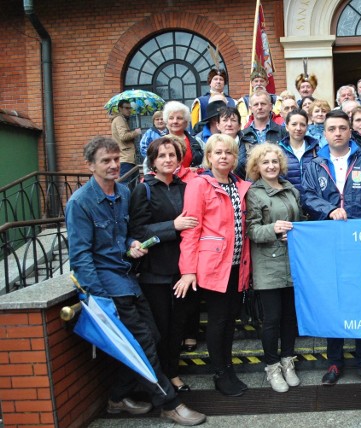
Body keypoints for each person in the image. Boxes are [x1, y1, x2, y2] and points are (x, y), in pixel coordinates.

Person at [66, 136, 206, 426]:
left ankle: (118, 396)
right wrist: (101, 301)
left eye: (117, 159)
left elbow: (130, 233)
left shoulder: (123, 192)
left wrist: (132, 244)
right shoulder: (80, 203)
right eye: (106, 160)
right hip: (108, 286)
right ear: (90, 165)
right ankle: (169, 403)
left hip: (129, 278)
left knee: (151, 338)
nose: (114, 165)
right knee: (143, 341)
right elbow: (80, 258)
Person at [301, 110, 361, 386]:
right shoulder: (314, 164)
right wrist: (330, 210)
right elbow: (308, 197)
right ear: (324, 133)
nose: (337, 132)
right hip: (329, 242)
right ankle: (334, 361)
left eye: (342, 128)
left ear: (350, 132)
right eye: (332, 128)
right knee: (333, 300)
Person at [174, 134, 251, 398]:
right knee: (218, 321)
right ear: (208, 157)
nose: (223, 157)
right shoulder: (199, 185)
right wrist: (188, 270)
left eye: (228, 153)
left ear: (234, 158)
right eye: (217, 153)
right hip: (213, 264)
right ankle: (220, 373)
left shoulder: (239, 184)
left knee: (230, 319)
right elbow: (191, 230)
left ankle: (228, 368)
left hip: (236, 264)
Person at [129, 137, 199, 393]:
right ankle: (162, 378)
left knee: (178, 325)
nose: (168, 159)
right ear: (153, 161)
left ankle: (173, 373)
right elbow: (138, 231)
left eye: (172, 155)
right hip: (155, 272)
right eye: (162, 156)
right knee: (162, 327)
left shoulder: (185, 187)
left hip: (183, 269)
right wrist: (172, 227)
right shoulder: (143, 189)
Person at [245, 144, 303, 393]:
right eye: (265, 162)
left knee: (290, 317)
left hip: (293, 262)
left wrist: (297, 233)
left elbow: (301, 222)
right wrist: (274, 229)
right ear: (256, 167)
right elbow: (252, 230)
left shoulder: (291, 190)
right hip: (268, 264)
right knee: (272, 319)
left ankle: (287, 360)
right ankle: (271, 366)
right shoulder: (254, 193)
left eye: (274, 161)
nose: (270, 166)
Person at [237, 90, 287, 178]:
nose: (259, 107)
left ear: (271, 106)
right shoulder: (243, 135)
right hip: (252, 187)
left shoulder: (282, 132)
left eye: (263, 104)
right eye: (256, 104)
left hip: (278, 183)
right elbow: (239, 165)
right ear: (250, 108)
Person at [279, 109, 320, 192]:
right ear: (287, 127)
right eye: (294, 124)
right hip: (289, 201)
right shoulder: (279, 151)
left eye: (302, 125)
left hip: (313, 200)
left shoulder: (317, 150)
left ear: (307, 127)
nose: (298, 128)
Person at [164, 101, 204, 171]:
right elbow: (149, 167)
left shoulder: (198, 142)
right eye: (171, 118)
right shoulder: (158, 143)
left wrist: (197, 169)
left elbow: (209, 161)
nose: (175, 121)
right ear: (166, 121)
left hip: (193, 180)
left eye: (179, 118)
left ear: (186, 122)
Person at [110, 100, 141, 177]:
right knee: (126, 184)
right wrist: (135, 132)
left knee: (132, 184)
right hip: (126, 158)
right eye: (126, 108)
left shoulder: (123, 119)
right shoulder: (119, 119)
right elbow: (123, 136)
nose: (129, 110)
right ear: (120, 108)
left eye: (130, 108)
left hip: (128, 158)